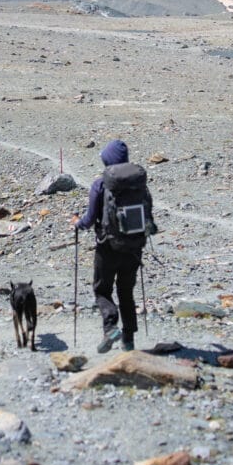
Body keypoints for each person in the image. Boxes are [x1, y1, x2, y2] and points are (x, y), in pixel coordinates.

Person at [71, 139, 153, 354]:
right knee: (126, 292)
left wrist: (78, 224)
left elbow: (89, 219)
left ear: (107, 159)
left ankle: (110, 329)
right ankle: (129, 340)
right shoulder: (139, 184)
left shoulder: (101, 184)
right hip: (134, 248)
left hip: (107, 247)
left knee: (102, 290)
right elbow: (149, 216)